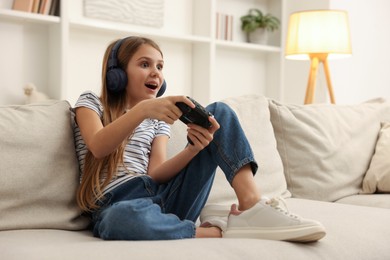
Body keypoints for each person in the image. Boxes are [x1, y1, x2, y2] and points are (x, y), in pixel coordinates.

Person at [72, 36, 326, 241]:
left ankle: (251, 206)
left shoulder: (156, 121)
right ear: (117, 73)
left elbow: (157, 173)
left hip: (162, 198)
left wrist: (193, 149)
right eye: (145, 64)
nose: (156, 73)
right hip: (116, 204)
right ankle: (209, 230)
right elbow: (98, 145)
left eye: (160, 66)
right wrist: (142, 111)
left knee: (220, 112)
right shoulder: (91, 102)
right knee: (120, 219)